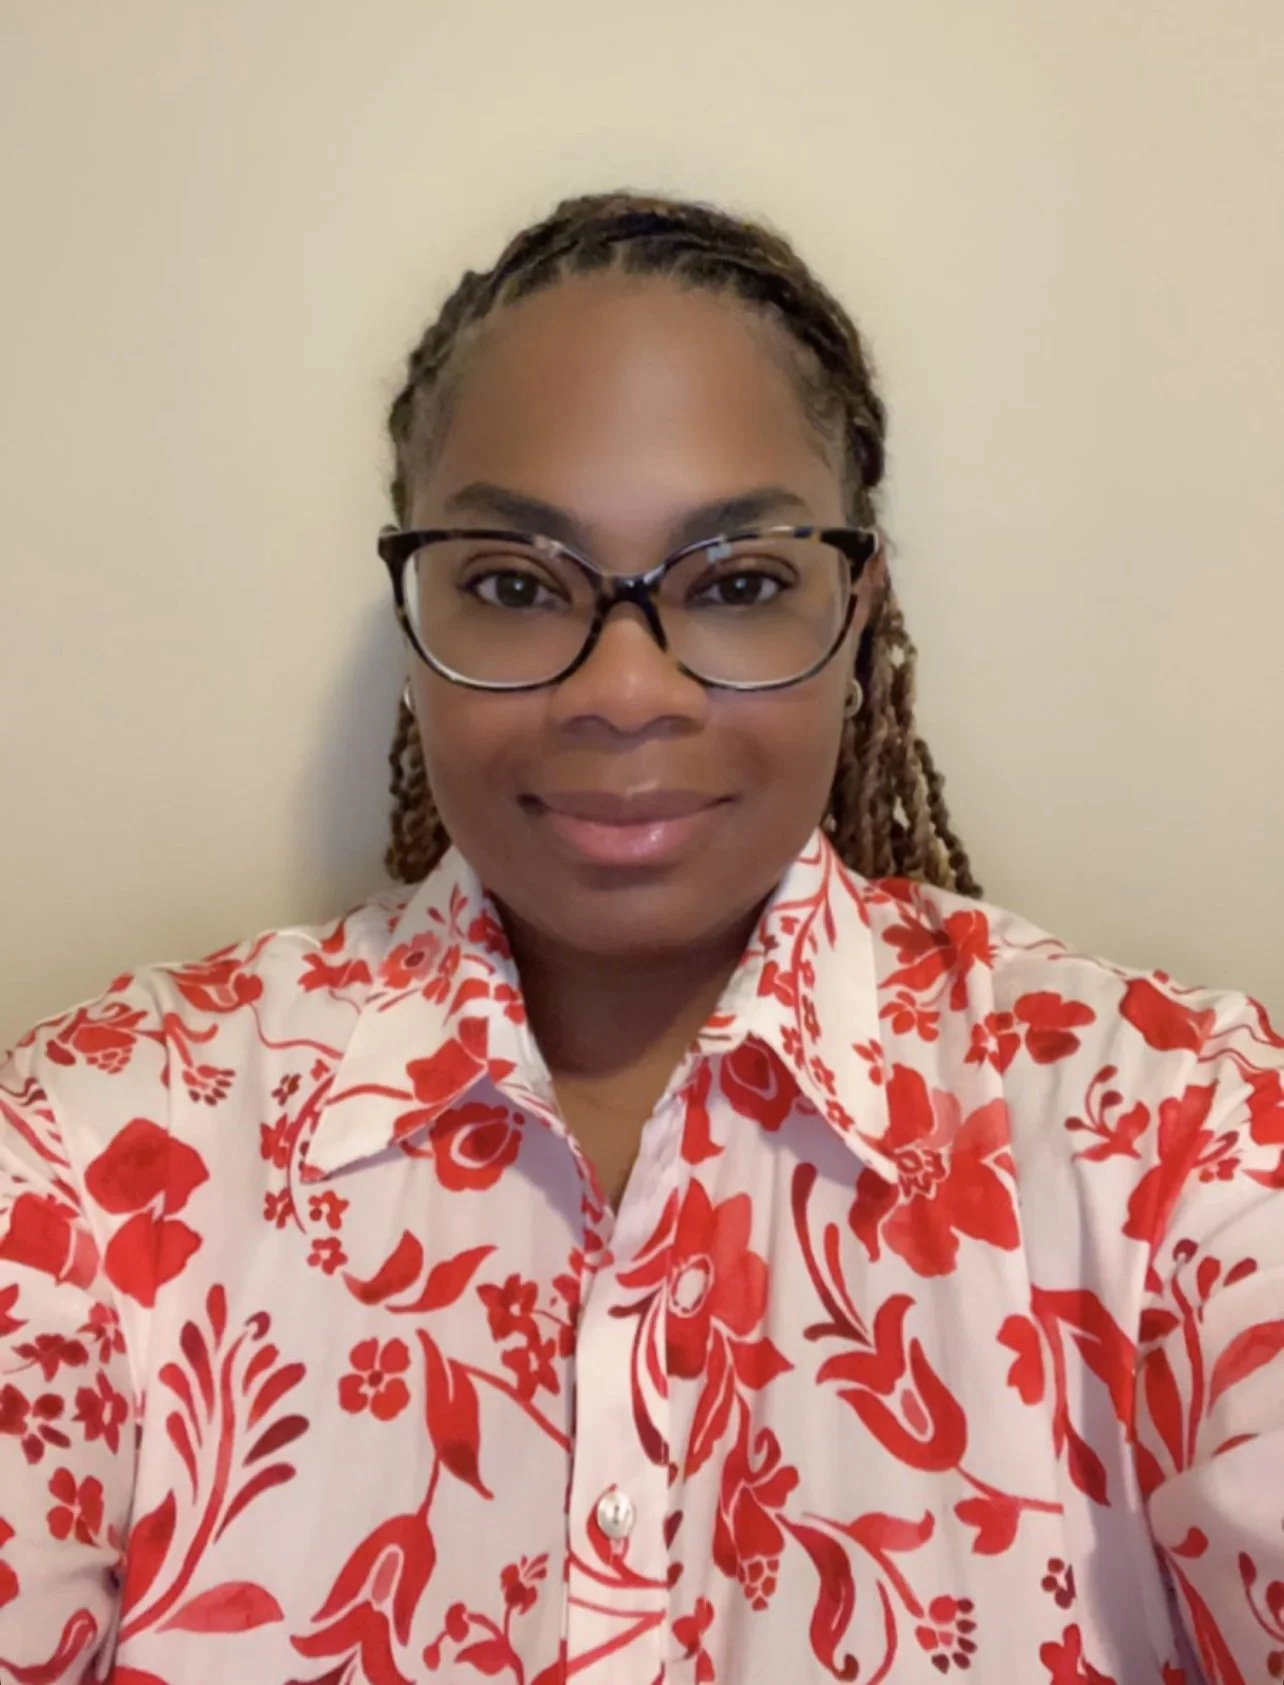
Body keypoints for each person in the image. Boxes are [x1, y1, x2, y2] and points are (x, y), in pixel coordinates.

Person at [1, 190, 1281, 1685]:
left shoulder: (1184, 1140)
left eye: (737, 584)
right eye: (512, 584)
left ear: (857, 617)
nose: (623, 692)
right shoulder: (101, 1158)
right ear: (416, 618)